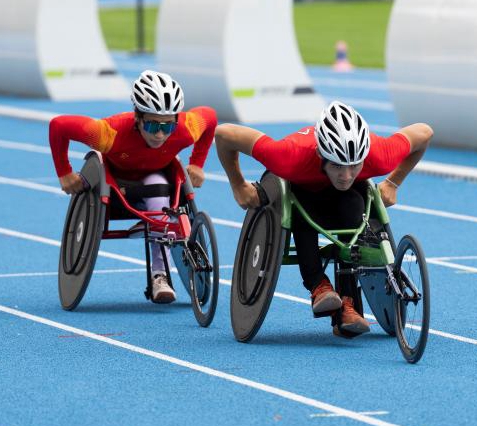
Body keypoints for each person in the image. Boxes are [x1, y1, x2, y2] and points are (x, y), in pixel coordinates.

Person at [215, 101, 433, 338]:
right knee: (300, 210)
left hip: (347, 199)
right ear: (321, 154)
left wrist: (393, 182)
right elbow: (224, 134)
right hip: (302, 188)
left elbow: (424, 132)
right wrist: (238, 184)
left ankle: (348, 303)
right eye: (338, 166)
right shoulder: (289, 155)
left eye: (354, 166)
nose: (346, 175)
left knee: (355, 207)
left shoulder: (378, 154)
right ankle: (319, 285)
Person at [49, 70, 217, 304]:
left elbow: (210, 117)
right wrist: (64, 172)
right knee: (156, 188)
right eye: (152, 126)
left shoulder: (187, 127)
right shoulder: (108, 133)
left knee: (158, 186)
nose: (160, 134)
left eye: (167, 127)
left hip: (156, 180)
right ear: (137, 118)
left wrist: (197, 164)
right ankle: (153, 228)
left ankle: (160, 276)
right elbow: (58, 126)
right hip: (117, 182)